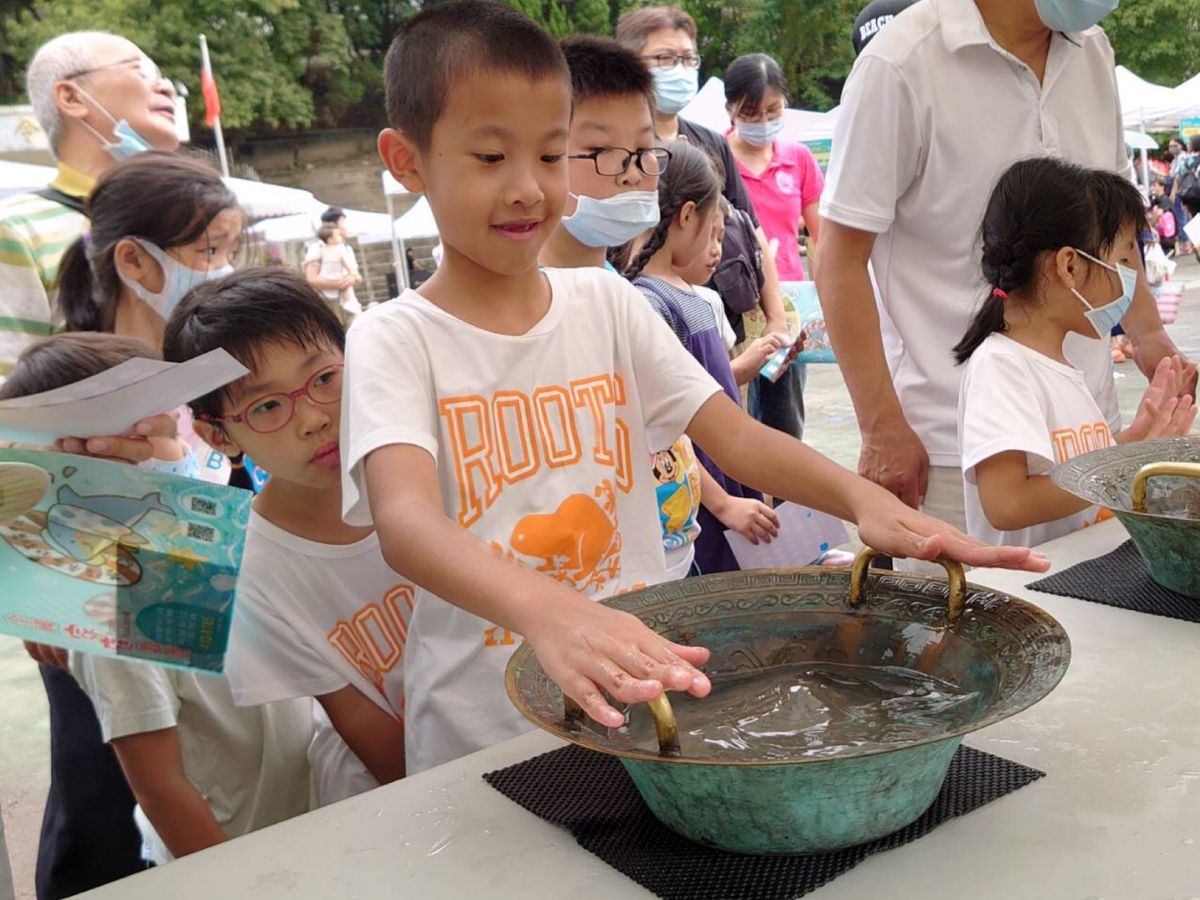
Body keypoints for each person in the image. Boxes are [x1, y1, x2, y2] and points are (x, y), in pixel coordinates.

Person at [350, 0, 1047, 776]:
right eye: (489, 158)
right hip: (484, 737)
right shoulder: (393, 338)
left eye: (550, 157)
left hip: (648, 700)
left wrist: (867, 504)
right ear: (406, 159)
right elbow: (406, 523)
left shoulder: (607, 304)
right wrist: (553, 615)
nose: (526, 189)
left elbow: (735, 436)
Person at [816, 0, 1191, 553]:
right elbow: (839, 257)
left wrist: (1149, 335)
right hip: (952, 449)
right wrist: (882, 426)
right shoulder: (902, 63)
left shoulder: (1092, 52)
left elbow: (1116, 233)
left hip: (1087, 424)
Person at [0, 331, 314, 870]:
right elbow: (162, 788)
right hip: (237, 858)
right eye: (142, 430)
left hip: (301, 825)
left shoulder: (208, 548)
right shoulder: (115, 602)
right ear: (76, 456)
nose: (174, 442)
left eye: (172, 424)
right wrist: (238, 882)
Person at [20, 151, 231, 898]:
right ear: (135, 260)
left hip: (197, 607)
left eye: (230, 249)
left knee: (202, 780)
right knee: (102, 803)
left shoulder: (205, 360)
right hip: (96, 630)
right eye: (209, 250)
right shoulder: (62, 376)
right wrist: (39, 590)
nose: (222, 267)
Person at [164, 268, 412, 807]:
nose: (313, 419)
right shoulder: (250, 567)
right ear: (217, 435)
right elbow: (374, 743)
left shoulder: (423, 465)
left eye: (325, 378)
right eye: (268, 406)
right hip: (390, 795)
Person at [541, 35, 780, 579]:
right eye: (603, 153)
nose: (630, 172)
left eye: (646, 153)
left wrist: (861, 502)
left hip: (667, 556)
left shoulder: (615, 295)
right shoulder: (575, 302)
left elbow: (712, 432)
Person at [955, 158, 1196, 547]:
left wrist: (1140, 440)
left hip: (1074, 577)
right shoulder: (1002, 366)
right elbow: (1007, 504)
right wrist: (1124, 464)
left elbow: (1082, 466)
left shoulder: (1059, 363)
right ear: (1069, 265)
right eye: (1120, 261)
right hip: (1035, 594)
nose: (1128, 282)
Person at [626, 141, 781, 575]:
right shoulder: (649, 303)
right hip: (698, 498)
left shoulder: (695, 298)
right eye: (713, 232)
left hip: (726, 472)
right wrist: (724, 501)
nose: (717, 247)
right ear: (687, 215)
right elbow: (669, 429)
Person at [0, 32, 178, 377]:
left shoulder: (189, 221)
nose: (168, 88)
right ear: (71, 97)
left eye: (165, 77)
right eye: (143, 72)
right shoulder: (18, 230)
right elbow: (10, 400)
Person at [614, 6, 792, 346]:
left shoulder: (711, 143)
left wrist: (775, 318)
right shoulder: (615, 151)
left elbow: (753, 232)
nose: (679, 69)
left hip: (722, 325)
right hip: (647, 327)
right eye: (665, 58)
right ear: (629, 63)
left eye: (688, 59)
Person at [724, 53, 825, 442]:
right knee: (737, 417)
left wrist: (821, 304)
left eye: (773, 110)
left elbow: (820, 236)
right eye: (750, 112)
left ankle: (784, 502)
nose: (763, 121)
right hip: (735, 308)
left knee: (785, 420)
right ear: (730, 108)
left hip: (789, 307)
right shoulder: (715, 156)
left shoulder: (797, 159)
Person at [304, 222, 363, 320]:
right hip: (327, 301)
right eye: (342, 222)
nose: (345, 227)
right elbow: (311, 279)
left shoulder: (346, 248)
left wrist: (352, 278)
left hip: (349, 303)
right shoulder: (317, 248)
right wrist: (339, 284)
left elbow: (357, 276)